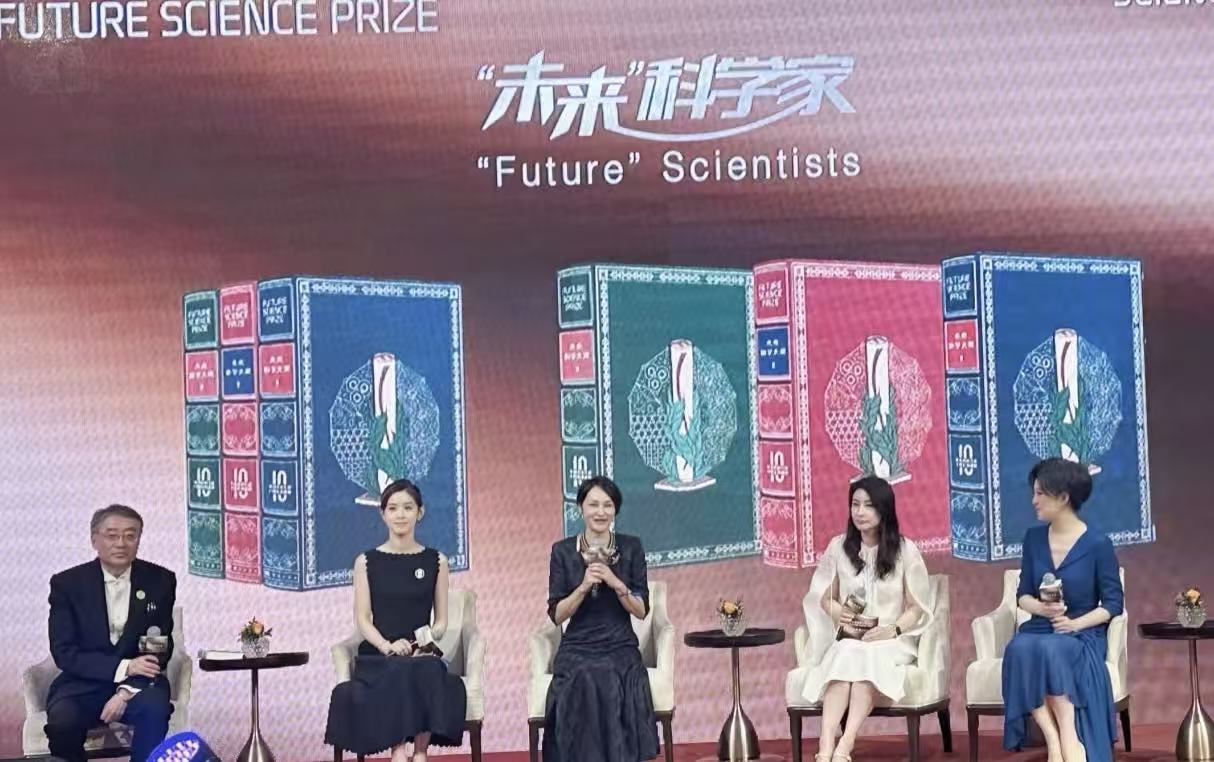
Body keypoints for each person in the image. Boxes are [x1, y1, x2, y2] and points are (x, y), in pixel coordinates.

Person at [325, 479, 466, 762]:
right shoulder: (365, 561)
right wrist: (387, 646)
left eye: (407, 507)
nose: (400, 514)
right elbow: (363, 619)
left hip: (420, 652)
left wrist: (421, 642)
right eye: (393, 508)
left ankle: (421, 753)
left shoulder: (437, 561)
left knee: (427, 668)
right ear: (383, 514)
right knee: (399, 669)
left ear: (420, 513)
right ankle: (398, 751)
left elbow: (441, 622)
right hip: (379, 655)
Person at [801, 476, 933, 762]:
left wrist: (892, 630)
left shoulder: (905, 550)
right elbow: (824, 598)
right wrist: (841, 614)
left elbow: (916, 608)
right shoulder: (839, 547)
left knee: (864, 658)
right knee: (848, 651)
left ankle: (846, 743)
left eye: (869, 505)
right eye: (855, 504)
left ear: (884, 509)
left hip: (890, 638)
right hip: (852, 637)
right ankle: (826, 744)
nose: (860, 512)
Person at [1002, 458, 1123, 762]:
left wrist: (1074, 624)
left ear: (1064, 497)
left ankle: (1069, 736)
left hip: (1081, 632)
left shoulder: (1098, 544)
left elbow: (1112, 604)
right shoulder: (1033, 539)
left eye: (1040, 493)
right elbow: (1022, 596)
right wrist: (1043, 610)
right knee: (1019, 647)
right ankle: (1053, 740)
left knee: (1051, 649)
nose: (1034, 501)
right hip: (1041, 626)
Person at [46, 504, 177, 762]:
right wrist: (124, 667)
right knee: (63, 721)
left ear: (139, 540)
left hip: (140, 683)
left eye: (130, 536)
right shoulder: (67, 584)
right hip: (81, 683)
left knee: (155, 708)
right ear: (94, 539)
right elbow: (64, 652)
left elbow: (158, 647)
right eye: (112, 535)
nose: (121, 543)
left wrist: (125, 691)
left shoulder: (160, 580)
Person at [543, 475, 659, 762]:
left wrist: (615, 581)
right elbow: (557, 614)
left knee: (609, 671)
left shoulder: (631, 547)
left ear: (615, 510)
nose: (600, 512)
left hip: (620, 642)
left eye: (607, 505)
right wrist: (583, 586)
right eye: (593, 504)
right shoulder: (562, 551)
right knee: (583, 673)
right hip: (578, 644)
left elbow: (641, 610)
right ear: (580, 508)